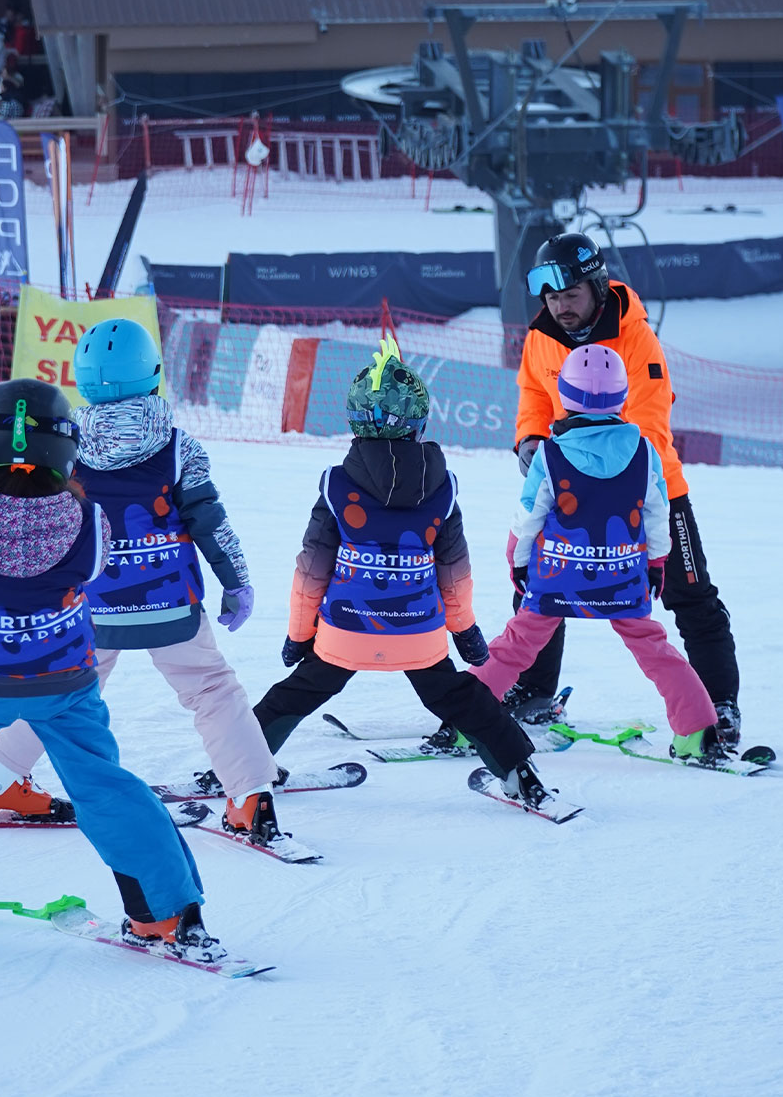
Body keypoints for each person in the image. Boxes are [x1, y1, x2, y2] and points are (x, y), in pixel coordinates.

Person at [0, 379, 224, 954]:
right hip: (63, 683)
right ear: (65, 449)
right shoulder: (88, 522)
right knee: (106, 786)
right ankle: (161, 916)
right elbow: (90, 572)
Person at [0, 319, 285, 846]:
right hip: (168, 602)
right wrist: (235, 580)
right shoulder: (178, 447)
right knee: (212, 689)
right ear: (153, 374)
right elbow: (210, 522)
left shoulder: (63, 446)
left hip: (88, 606)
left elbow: (35, 520)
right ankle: (248, 798)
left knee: (59, 696)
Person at [251, 334, 554, 810]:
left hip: (346, 630)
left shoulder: (337, 485)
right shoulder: (442, 489)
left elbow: (310, 572)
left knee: (294, 694)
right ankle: (521, 774)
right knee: (462, 698)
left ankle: (240, 767)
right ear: (420, 420)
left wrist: (298, 635)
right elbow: (455, 575)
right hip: (419, 636)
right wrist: (466, 632)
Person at [507, 231, 741, 746]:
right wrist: (528, 437)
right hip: (568, 488)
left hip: (651, 491)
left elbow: (652, 426)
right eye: (551, 298)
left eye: (570, 296)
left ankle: (718, 703)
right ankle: (532, 690)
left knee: (690, 595)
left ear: (595, 286)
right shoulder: (542, 335)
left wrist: (603, 473)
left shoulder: (636, 340)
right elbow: (532, 392)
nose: (560, 307)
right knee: (541, 588)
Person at [471, 344, 724, 761]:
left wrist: (517, 561)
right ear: (622, 396)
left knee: (514, 646)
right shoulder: (644, 451)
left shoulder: (550, 453)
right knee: (657, 652)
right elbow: (658, 515)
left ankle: (468, 720)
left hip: (558, 578)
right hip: (621, 577)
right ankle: (697, 731)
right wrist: (657, 563)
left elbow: (528, 516)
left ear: (565, 396)